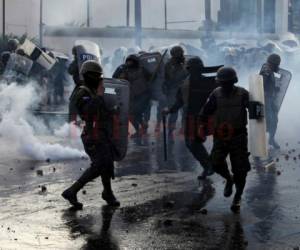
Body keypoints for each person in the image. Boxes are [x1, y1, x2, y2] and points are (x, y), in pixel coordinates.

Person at [62, 60, 120, 209]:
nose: (99, 79)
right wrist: (99, 96)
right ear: (88, 76)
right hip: (92, 134)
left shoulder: (92, 90)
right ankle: (72, 190)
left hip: (101, 132)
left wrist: (113, 110)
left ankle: (108, 192)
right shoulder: (83, 91)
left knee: (107, 164)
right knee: (99, 165)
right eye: (96, 76)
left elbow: (101, 111)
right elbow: (88, 112)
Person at [199, 67, 253, 213]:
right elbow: (205, 112)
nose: (225, 85)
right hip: (221, 135)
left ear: (233, 81)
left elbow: (255, 112)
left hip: (238, 135)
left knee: (240, 169)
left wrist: (258, 108)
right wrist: (201, 127)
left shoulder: (243, 94)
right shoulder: (215, 94)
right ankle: (229, 179)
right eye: (222, 82)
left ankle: (238, 196)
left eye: (227, 82)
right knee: (215, 163)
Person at [163, 57, 214, 179]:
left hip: (201, 116)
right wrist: (169, 110)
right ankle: (208, 166)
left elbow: (219, 96)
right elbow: (180, 102)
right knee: (191, 143)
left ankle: (209, 166)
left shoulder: (209, 82)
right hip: (189, 117)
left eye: (197, 69)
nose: (195, 72)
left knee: (193, 142)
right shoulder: (185, 84)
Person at [113, 54, 151, 138]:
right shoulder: (122, 69)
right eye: (128, 61)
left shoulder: (142, 69)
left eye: (131, 61)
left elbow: (150, 78)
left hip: (142, 95)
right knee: (133, 113)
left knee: (134, 113)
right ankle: (141, 127)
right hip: (130, 95)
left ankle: (140, 129)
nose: (129, 63)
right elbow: (114, 78)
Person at [163, 46, 188, 142]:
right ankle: (170, 132)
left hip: (183, 91)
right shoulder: (169, 65)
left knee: (184, 112)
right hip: (173, 91)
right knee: (173, 113)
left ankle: (184, 129)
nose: (181, 55)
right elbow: (165, 79)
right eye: (179, 54)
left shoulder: (185, 64)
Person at [259, 54, 281, 149]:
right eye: (276, 64)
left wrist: (274, 89)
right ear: (273, 64)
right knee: (267, 121)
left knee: (274, 120)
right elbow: (260, 85)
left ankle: (271, 139)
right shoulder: (266, 71)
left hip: (270, 99)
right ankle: (260, 143)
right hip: (265, 99)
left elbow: (268, 85)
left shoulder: (269, 70)